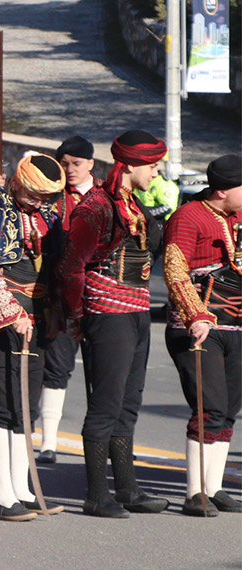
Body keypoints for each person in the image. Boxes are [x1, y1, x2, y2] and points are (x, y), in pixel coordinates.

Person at [59, 129, 170, 518]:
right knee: (105, 406)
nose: (156, 173)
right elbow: (72, 266)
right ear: (133, 165)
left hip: (137, 313)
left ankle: (126, 488)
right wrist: (77, 315)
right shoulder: (96, 207)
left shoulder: (131, 203)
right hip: (107, 315)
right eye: (153, 166)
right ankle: (95, 494)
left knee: (129, 404)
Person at [0, 153, 67, 521]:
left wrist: (53, 312)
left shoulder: (47, 216)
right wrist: (9, 312)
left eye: (46, 198)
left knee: (27, 409)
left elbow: (54, 269)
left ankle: (23, 488)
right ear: (18, 181)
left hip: (36, 316)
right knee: (3, 407)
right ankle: (4, 495)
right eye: (35, 195)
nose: (40, 203)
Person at [161, 153, 242, 517]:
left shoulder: (236, 217)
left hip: (237, 326)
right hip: (197, 328)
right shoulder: (187, 217)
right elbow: (174, 269)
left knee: (228, 412)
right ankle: (195, 492)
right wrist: (195, 315)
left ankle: (215, 485)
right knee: (209, 408)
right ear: (223, 191)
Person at [37, 135, 98, 464]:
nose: (70, 170)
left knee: (102, 372)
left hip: (100, 297)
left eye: (76, 163)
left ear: (90, 163)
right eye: (64, 164)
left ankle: (104, 441)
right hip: (60, 298)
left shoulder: (107, 198)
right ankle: (49, 442)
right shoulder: (50, 199)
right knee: (56, 370)